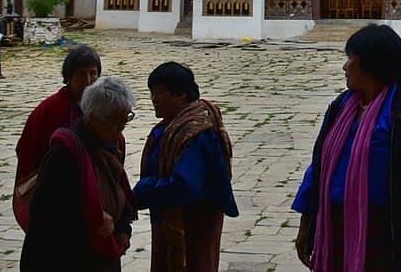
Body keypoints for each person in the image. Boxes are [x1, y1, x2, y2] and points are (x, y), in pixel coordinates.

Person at [293, 24, 401, 272]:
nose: (345, 67)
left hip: (386, 233)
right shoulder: (340, 109)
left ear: (370, 64)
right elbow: (318, 167)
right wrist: (306, 223)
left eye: (350, 58)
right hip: (334, 227)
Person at [21, 76, 137, 271]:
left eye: (125, 119)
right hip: (69, 257)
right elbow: (46, 212)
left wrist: (124, 228)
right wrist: (93, 218)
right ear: (92, 116)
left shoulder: (112, 144)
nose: (121, 127)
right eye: (115, 121)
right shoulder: (65, 152)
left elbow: (117, 188)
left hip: (103, 253)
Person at [133, 62, 238, 271]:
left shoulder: (195, 133)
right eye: (152, 92)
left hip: (193, 224)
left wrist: (142, 191)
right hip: (173, 220)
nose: (154, 99)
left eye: (160, 92)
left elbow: (184, 186)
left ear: (182, 94)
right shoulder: (173, 125)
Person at [14, 44, 105, 229]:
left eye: (93, 73)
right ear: (69, 77)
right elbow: (27, 150)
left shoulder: (101, 108)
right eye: (81, 74)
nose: (88, 80)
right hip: (55, 194)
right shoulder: (50, 111)